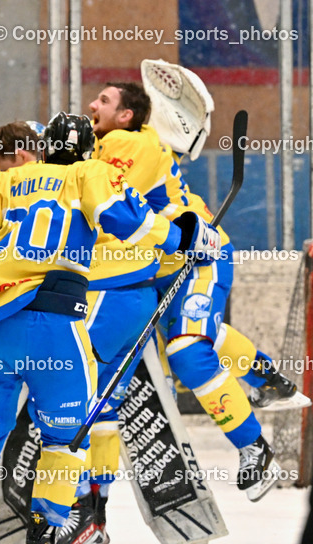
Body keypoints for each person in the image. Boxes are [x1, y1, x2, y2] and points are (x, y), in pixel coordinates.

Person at [0, 113, 221, 544]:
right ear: (90, 149)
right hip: (54, 326)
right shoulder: (89, 173)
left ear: (43, 148)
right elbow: (128, 222)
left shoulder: (6, 182)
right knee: (66, 437)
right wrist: (187, 238)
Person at [88, 81, 301, 507]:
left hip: (200, 257)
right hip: (162, 266)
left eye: (105, 101)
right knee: (197, 335)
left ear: (126, 116)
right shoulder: (118, 143)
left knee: (187, 349)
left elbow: (103, 207)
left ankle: (256, 450)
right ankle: (267, 376)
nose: (93, 104)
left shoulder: (125, 144)